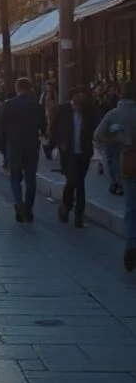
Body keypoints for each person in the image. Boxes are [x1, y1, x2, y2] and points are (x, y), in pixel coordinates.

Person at [93, 80, 136, 271]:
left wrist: (119, 140)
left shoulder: (114, 114)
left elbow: (98, 135)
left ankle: (131, 245)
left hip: (128, 163)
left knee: (131, 208)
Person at [1, 76, 46, 223]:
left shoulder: (8, 105)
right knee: (30, 179)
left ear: (18, 88)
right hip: (32, 146)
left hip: (14, 145)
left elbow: (2, 127)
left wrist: (3, 145)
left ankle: (19, 203)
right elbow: (43, 128)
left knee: (15, 177)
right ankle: (28, 208)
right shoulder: (37, 107)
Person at [51, 90, 97, 229]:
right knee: (72, 180)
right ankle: (66, 206)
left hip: (83, 152)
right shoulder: (64, 109)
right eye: (76, 107)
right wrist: (57, 143)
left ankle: (79, 215)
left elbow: (95, 126)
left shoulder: (89, 112)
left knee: (80, 183)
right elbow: (55, 127)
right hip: (68, 152)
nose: (78, 110)